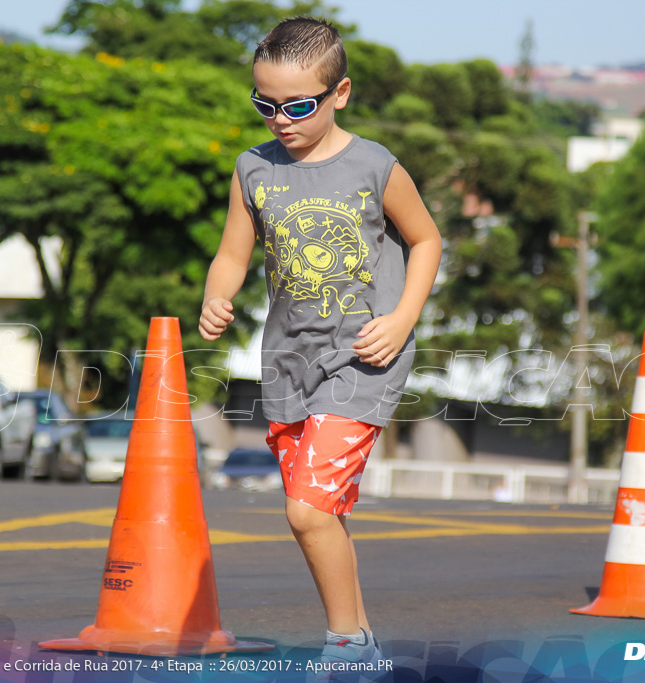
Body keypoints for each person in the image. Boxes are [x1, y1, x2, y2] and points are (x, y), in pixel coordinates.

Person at [199, 15, 442, 672]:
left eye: (298, 105)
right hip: (287, 364)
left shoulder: (374, 165)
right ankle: (364, 644)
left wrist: (402, 317)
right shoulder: (252, 169)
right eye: (265, 104)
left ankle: (346, 647)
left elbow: (426, 240)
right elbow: (231, 254)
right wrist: (215, 294)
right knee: (323, 513)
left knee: (305, 510)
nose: (281, 119)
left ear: (340, 94)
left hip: (364, 359)